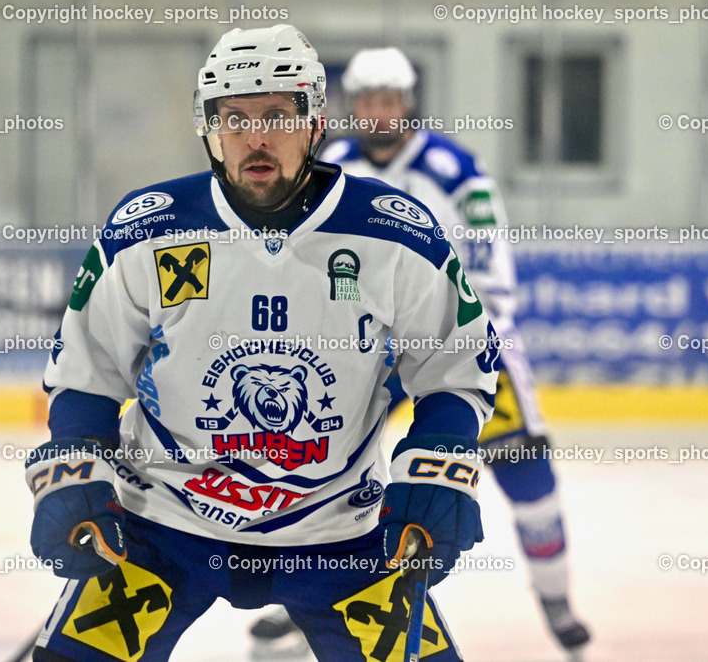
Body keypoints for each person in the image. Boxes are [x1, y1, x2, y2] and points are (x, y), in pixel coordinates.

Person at [27, 25, 500, 662]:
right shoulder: (147, 230)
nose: (255, 137)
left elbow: (454, 369)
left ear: (314, 123)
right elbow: (87, 374)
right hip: (160, 520)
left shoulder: (395, 235)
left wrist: (439, 466)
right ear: (209, 127)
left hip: (343, 528)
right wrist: (76, 470)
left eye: (278, 114)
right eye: (234, 116)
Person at [251, 47, 588, 655]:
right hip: (366, 350)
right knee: (316, 468)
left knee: (523, 469)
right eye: (367, 101)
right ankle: (307, 591)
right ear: (352, 107)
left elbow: (490, 270)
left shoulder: (456, 169)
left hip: (457, 344)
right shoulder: (331, 164)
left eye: (389, 101)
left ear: (408, 105)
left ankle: (556, 600)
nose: (378, 113)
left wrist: (463, 341)